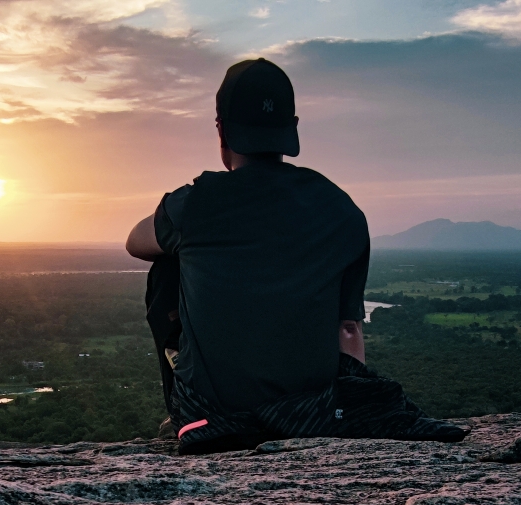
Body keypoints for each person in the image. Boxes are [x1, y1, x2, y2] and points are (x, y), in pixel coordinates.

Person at [125, 57, 468, 455]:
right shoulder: (341, 209)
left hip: (217, 415)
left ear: (222, 130)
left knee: (167, 268)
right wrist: (345, 402)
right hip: (311, 411)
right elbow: (349, 329)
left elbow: (136, 242)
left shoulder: (197, 202)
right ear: (293, 128)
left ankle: (187, 415)